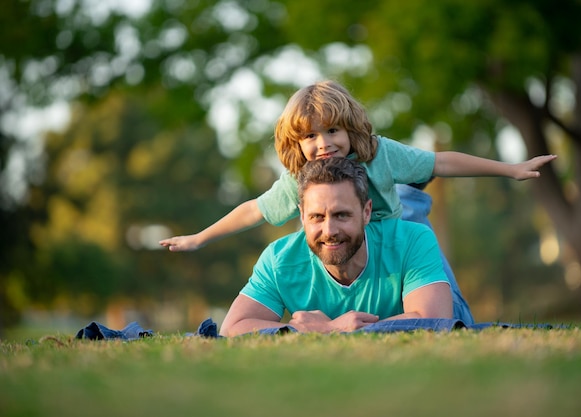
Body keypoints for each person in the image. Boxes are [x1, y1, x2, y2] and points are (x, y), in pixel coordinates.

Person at [160, 80, 556, 323]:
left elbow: (442, 160)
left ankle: (413, 194)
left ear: (350, 127)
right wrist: (200, 238)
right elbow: (253, 210)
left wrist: (510, 168)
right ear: (297, 143)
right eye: (311, 137)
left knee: (443, 299)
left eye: (332, 130)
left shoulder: (380, 154)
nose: (323, 144)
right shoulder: (299, 180)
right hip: (356, 238)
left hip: (397, 225)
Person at [219, 157, 453, 336]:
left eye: (342, 215)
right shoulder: (278, 259)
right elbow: (232, 328)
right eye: (317, 217)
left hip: (397, 230)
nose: (329, 231)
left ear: (366, 211)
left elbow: (436, 321)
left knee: (408, 207)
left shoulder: (413, 239)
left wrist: (341, 328)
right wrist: (325, 328)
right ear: (301, 216)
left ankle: (408, 193)